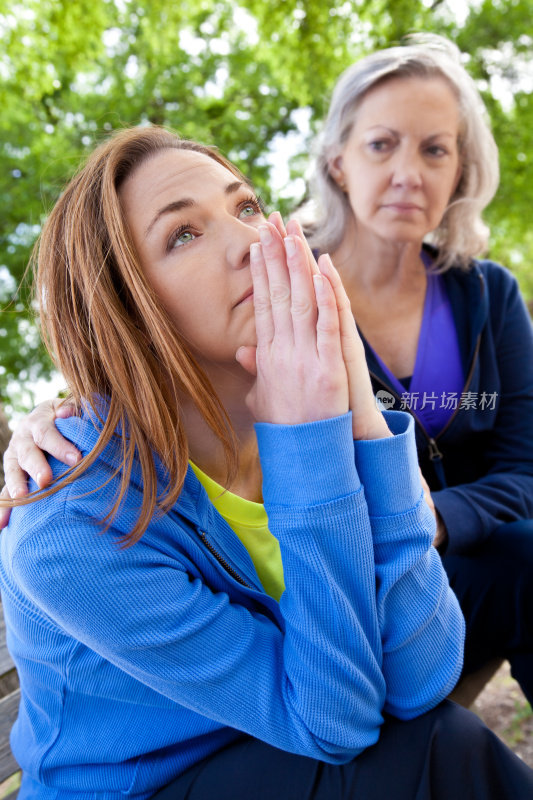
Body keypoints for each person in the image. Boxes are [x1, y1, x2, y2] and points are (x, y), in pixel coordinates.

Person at [0, 125, 532, 800]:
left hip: (285, 739)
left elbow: (423, 673)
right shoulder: (70, 524)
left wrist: (365, 426)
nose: (252, 242)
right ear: (124, 311)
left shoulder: (304, 412)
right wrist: (311, 446)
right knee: (435, 755)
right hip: (150, 785)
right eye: (183, 235)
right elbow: (334, 721)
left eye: (245, 206)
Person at [299, 32, 533, 705]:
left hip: (471, 572)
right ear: (338, 160)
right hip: (345, 603)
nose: (409, 173)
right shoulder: (277, 288)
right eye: (381, 144)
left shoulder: (486, 293)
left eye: (434, 149)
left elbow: (523, 469)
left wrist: (433, 517)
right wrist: (56, 415)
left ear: (459, 170)